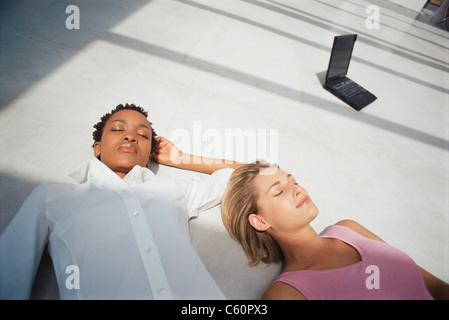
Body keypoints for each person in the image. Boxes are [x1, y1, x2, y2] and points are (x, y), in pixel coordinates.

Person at [0, 103, 242, 299]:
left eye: (143, 134)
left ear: (149, 157)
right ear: (97, 148)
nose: (130, 135)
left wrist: (180, 158)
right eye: (117, 129)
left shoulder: (172, 190)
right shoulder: (52, 197)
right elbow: (8, 273)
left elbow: (255, 172)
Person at [221, 161, 449, 300]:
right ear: (260, 222)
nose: (297, 190)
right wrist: (183, 159)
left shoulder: (349, 229)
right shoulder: (286, 294)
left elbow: (435, 286)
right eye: (278, 192)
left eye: (294, 181)